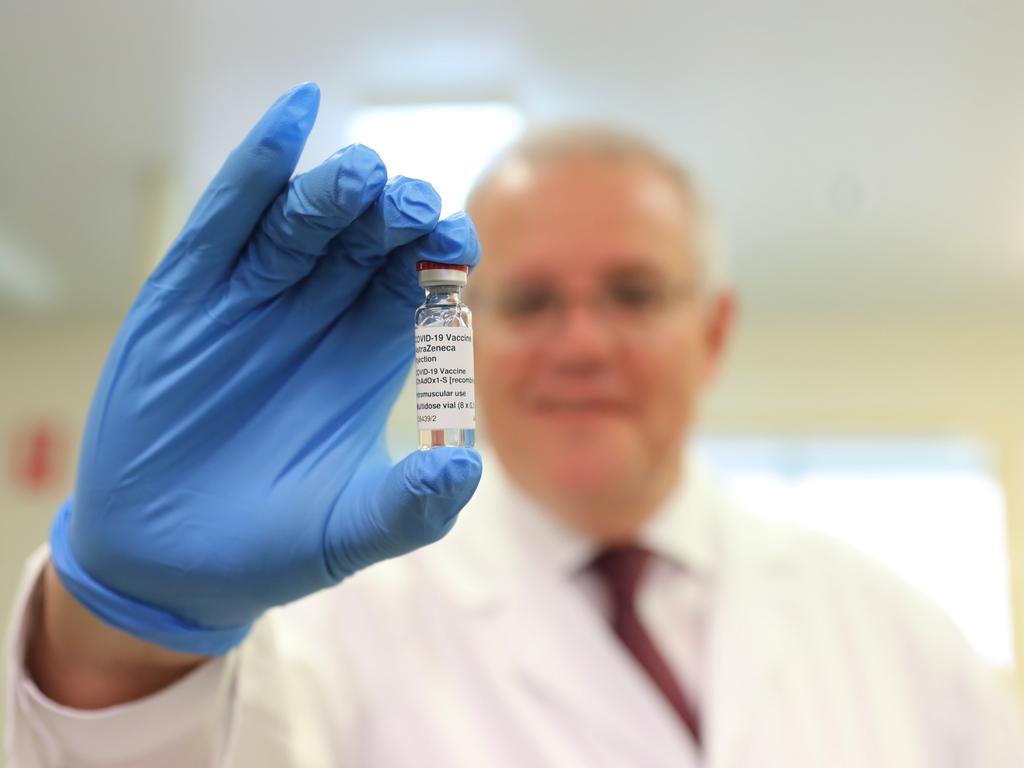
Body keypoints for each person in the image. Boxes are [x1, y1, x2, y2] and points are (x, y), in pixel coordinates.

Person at [5, 82, 1023, 767]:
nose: (580, 345)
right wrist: (123, 629)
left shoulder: (902, 635)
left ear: (711, 330)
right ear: (466, 336)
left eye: (631, 293)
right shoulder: (319, 629)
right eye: (530, 301)